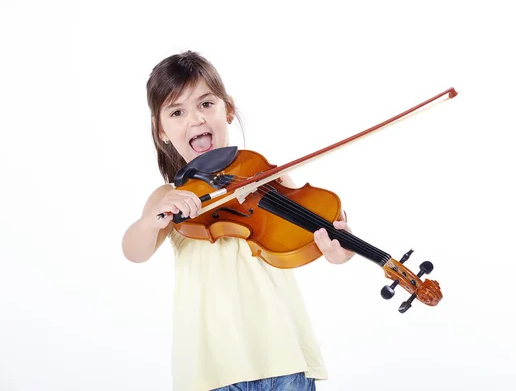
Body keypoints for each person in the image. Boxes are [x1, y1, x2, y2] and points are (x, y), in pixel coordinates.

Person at [121, 50, 355, 391]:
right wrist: (151, 221)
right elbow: (133, 250)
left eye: (206, 104)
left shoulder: (265, 177)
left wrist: (338, 250)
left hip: (282, 357)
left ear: (227, 109)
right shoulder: (168, 197)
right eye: (177, 112)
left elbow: (316, 229)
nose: (196, 120)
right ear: (162, 132)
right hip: (211, 370)